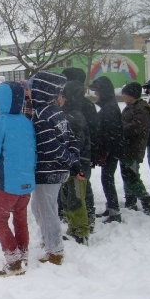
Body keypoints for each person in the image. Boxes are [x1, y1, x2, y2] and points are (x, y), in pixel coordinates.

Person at [0, 81, 36, 277]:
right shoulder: (26, 122)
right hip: (26, 183)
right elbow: (33, 152)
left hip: (8, 184)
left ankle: (13, 262)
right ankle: (22, 255)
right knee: (20, 218)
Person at [31, 70, 82, 266]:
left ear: (41, 90)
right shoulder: (56, 111)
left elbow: (50, 146)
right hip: (56, 170)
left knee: (46, 211)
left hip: (48, 171)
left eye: (34, 88)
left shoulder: (43, 114)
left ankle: (55, 251)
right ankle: (48, 241)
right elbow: (71, 138)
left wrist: (70, 160)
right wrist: (73, 159)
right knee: (39, 208)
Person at [62, 67, 99, 233]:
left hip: (80, 158)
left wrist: (86, 155)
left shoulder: (79, 110)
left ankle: (85, 222)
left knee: (79, 192)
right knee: (76, 191)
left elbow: (82, 135)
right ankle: (82, 220)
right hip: (79, 157)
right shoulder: (71, 108)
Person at [57, 80, 91, 244]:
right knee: (68, 199)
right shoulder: (67, 114)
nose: (59, 99)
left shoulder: (75, 117)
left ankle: (81, 232)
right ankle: (73, 227)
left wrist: (72, 161)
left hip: (77, 167)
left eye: (62, 96)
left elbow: (77, 144)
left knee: (76, 199)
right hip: (69, 166)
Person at [90, 76, 124, 223]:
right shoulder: (108, 105)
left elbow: (110, 132)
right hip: (112, 149)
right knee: (107, 178)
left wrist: (105, 151)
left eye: (97, 91)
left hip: (111, 150)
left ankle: (115, 212)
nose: (95, 94)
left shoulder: (109, 108)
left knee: (107, 179)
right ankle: (111, 207)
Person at [119, 82, 150, 216]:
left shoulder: (141, 108)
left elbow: (136, 127)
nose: (123, 96)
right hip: (125, 147)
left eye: (125, 93)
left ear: (132, 94)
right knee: (126, 174)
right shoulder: (129, 107)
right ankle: (130, 200)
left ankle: (146, 201)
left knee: (132, 176)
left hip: (133, 148)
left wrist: (120, 128)